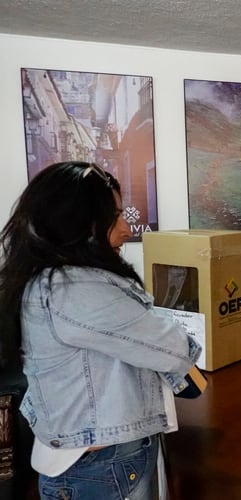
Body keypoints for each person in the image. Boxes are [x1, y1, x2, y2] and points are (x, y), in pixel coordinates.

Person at [0, 162, 202, 500]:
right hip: (103, 469)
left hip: (89, 461)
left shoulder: (48, 279)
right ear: (78, 222)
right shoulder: (75, 289)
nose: (126, 229)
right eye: (116, 216)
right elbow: (177, 349)